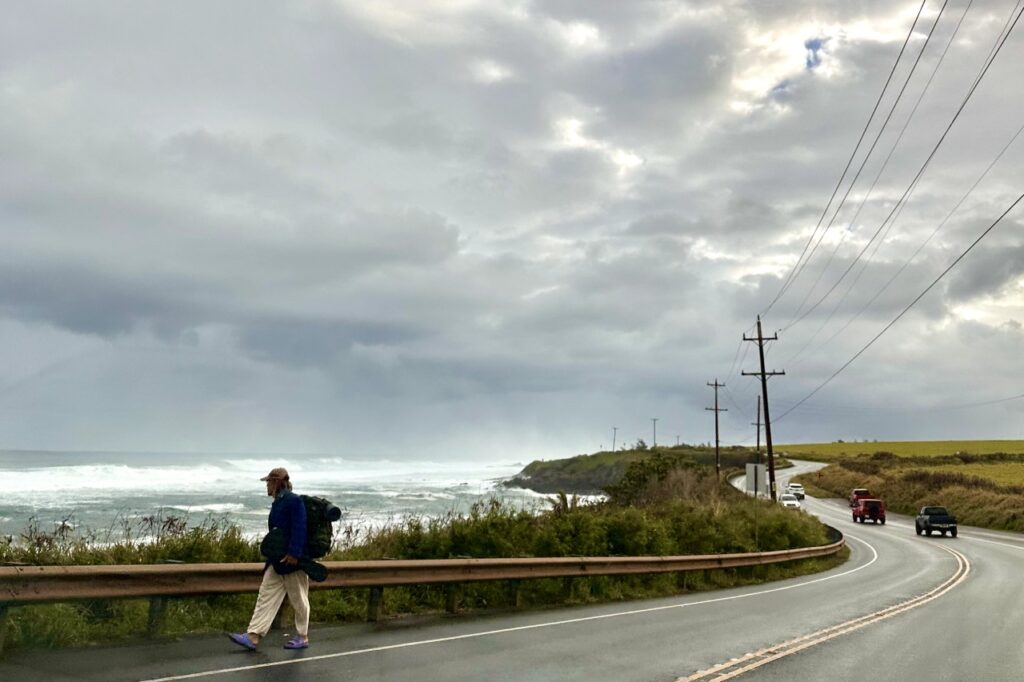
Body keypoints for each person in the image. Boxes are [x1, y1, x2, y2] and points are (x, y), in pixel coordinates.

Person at [229, 467, 310, 651]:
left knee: (299, 599)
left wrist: (294, 554)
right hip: (277, 559)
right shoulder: (278, 502)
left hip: (292, 561)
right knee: (265, 594)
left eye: (269, 482)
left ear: (277, 482)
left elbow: (300, 528)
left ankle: (303, 636)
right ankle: (253, 636)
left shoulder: (293, 500)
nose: (266, 485)